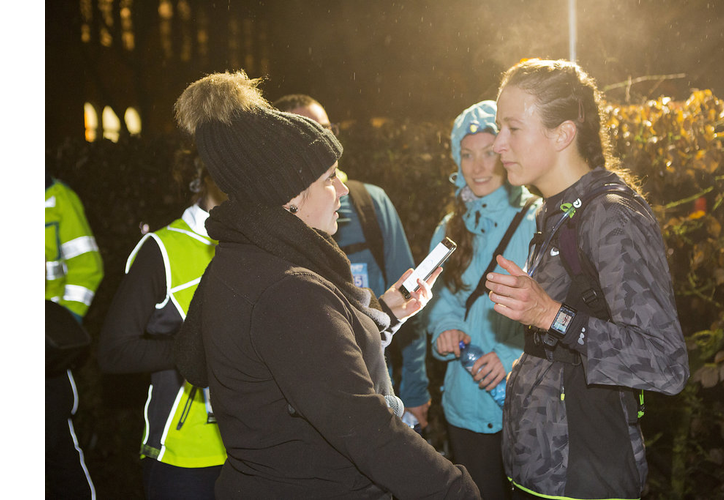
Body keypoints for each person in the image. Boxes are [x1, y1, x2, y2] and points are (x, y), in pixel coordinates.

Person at [170, 71, 480, 499]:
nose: (342, 189)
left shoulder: (239, 259)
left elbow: (282, 362)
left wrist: (383, 314)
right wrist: (457, 490)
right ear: (291, 197)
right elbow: (367, 429)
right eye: (330, 177)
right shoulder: (289, 291)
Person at [483, 59, 690, 499]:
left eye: (512, 128)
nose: (497, 144)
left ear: (562, 133)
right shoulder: (554, 210)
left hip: (588, 476)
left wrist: (551, 315)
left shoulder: (612, 216)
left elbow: (666, 363)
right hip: (537, 474)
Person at [274, 93, 432, 430]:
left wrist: (414, 389)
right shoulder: (268, 245)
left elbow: (407, 303)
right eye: (310, 134)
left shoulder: (369, 203)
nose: (325, 143)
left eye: (328, 130)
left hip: (378, 401)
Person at [424, 101, 539, 499]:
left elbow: (557, 310)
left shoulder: (537, 219)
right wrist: (444, 327)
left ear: (507, 151)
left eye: (489, 153)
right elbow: (439, 296)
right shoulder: (451, 224)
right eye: (467, 155)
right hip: (466, 400)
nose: (478, 167)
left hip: (526, 403)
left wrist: (511, 359)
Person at [98, 153, 228, 499]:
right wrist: (194, 348)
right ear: (208, 174)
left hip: (256, 452)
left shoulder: (259, 245)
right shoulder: (162, 249)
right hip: (184, 459)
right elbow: (113, 351)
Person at [45, 171, 103, 499]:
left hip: (47, 358)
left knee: (58, 449)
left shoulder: (56, 198)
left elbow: (87, 267)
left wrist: (57, 330)